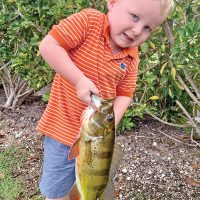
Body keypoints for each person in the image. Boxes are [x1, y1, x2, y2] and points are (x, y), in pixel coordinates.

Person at [37, 0, 175, 199]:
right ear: (112, 3)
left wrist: (108, 126)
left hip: (98, 141)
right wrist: (79, 80)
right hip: (62, 131)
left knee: (92, 187)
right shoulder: (88, 21)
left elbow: (125, 94)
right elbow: (49, 45)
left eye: (147, 28)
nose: (137, 30)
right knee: (55, 191)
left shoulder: (131, 58)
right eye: (134, 16)